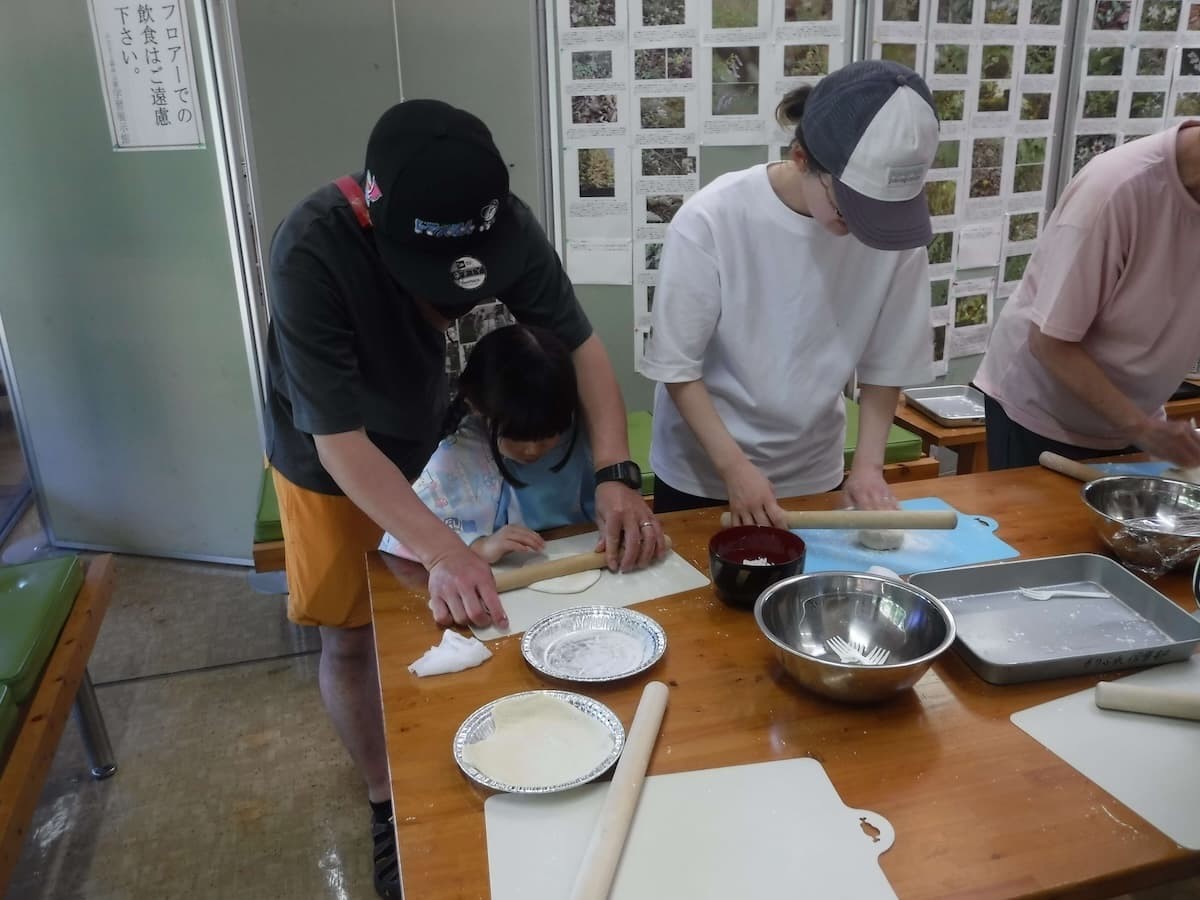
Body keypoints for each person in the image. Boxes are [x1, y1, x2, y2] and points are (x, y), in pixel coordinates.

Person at [263, 99, 663, 899]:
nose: (447, 302)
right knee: (354, 634)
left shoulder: (505, 222)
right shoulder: (312, 252)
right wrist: (444, 549)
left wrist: (617, 473)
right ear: (380, 225)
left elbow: (581, 346)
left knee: (458, 612)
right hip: (331, 457)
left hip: (426, 424)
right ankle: (385, 799)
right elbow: (339, 441)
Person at [641, 61, 939, 526]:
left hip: (813, 466)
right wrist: (734, 469)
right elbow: (678, 368)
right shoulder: (713, 219)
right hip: (703, 471)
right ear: (801, 158)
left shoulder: (893, 235)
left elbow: (887, 362)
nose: (865, 229)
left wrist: (868, 467)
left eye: (882, 214)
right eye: (850, 210)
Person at [975, 121, 1200, 470]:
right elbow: (1050, 343)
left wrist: (1142, 427)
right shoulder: (1115, 188)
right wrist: (1142, 428)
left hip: (1136, 419)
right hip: (1044, 416)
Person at [378, 323, 595, 563]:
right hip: (505, 575)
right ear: (478, 408)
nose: (532, 449)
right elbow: (400, 538)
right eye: (516, 436)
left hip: (581, 558)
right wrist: (479, 546)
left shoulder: (581, 433)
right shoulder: (459, 457)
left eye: (547, 435)